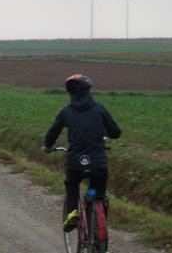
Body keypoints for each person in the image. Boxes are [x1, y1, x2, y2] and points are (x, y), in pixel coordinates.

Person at [42, 74, 121, 231]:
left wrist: (47, 146)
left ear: (70, 92)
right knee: (98, 192)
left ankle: (73, 211)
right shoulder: (99, 109)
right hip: (97, 162)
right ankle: (99, 225)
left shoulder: (66, 112)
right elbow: (116, 133)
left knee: (72, 184)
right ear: (88, 90)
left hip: (75, 162)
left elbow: (53, 133)